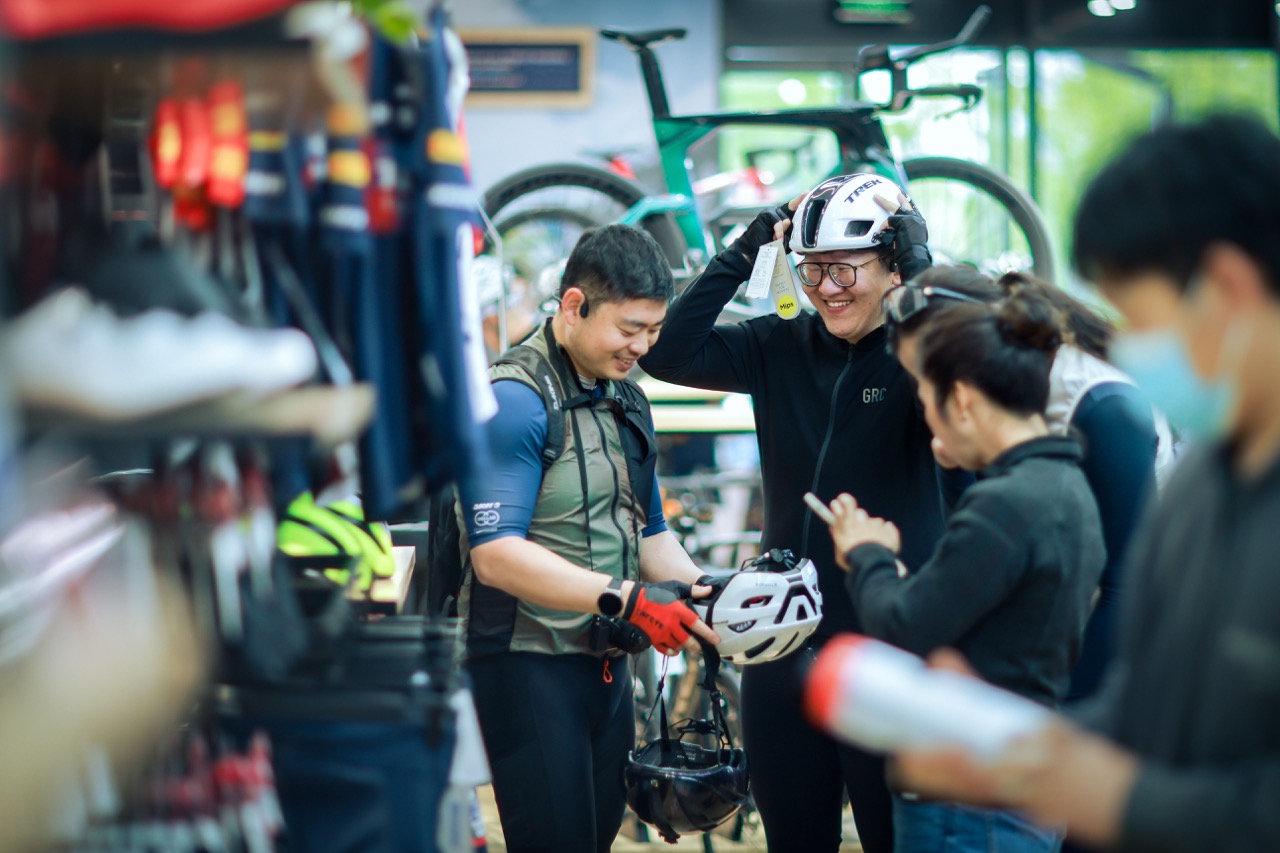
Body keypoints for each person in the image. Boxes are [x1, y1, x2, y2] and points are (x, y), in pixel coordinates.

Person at [890, 113, 1280, 853]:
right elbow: (1151, 693)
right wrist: (1014, 747)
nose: (1125, 344)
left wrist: (1118, 799)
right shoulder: (1203, 483)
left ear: (1227, 286)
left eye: (1139, 315)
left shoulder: (1120, 425)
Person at [641, 172, 961, 853]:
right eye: (811, 269)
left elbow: (955, 368)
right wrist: (755, 241)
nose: (826, 287)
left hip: (890, 645)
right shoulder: (778, 346)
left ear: (890, 265)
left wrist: (919, 264)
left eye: (844, 268)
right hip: (782, 646)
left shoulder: (917, 360)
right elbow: (669, 352)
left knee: (897, 840)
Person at [456, 224, 720, 853]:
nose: (643, 346)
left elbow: (651, 534)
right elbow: (494, 555)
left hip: (604, 664)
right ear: (573, 307)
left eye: (653, 331)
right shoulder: (516, 401)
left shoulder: (625, 397)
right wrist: (628, 599)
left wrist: (712, 595)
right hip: (526, 664)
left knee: (596, 837)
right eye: (629, 329)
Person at [820, 287, 1105, 852]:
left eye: (926, 399)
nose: (927, 420)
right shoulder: (1064, 487)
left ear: (965, 402)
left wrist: (867, 555)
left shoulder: (1007, 505)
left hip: (968, 801)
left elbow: (903, 626)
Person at [882, 266, 1174, 703]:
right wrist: (952, 463)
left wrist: (1058, 720)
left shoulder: (1102, 407)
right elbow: (976, 526)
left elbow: (1123, 585)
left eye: (928, 377)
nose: (927, 397)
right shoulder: (980, 397)